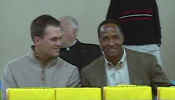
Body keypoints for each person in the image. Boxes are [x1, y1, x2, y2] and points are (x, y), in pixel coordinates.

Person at [81, 19, 170, 96]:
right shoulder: (89, 73)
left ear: (122, 38)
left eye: (115, 37)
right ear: (100, 42)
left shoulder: (147, 62)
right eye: (105, 39)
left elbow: (167, 92)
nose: (111, 43)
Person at [2, 15, 80, 100]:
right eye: (54, 39)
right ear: (37, 41)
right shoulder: (12, 69)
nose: (59, 44)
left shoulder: (71, 71)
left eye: (60, 38)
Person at [106, 0, 162, 65]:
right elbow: (110, 24)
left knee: (156, 74)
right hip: (127, 48)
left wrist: (158, 40)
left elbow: (156, 20)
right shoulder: (116, 1)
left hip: (150, 47)